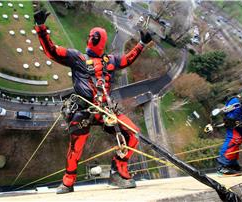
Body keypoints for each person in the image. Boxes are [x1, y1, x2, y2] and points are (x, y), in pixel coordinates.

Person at [33, 10, 153, 194]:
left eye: (95, 37)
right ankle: (68, 181)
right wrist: (41, 28)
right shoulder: (77, 58)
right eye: (93, 37)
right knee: (76, 146)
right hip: (84, 110)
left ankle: (118, 170)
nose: (93, 39)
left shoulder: (109, 61)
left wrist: (142, 44)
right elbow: (52, 52)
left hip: (106, 110)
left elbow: (127, 59)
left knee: (133, 135)